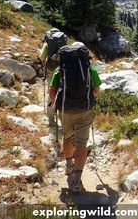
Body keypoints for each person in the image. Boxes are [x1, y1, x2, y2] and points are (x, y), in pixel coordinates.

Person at [49, 42, 101, 193]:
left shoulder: (61, 68)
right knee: (81, 143)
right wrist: (89, 99)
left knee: (67, 138)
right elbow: (96, 88)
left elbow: (52, 90)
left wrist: (55, 105)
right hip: (85, 109)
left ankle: (68, 164)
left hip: (65, 110)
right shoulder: (91, 67)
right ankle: (77, 180)